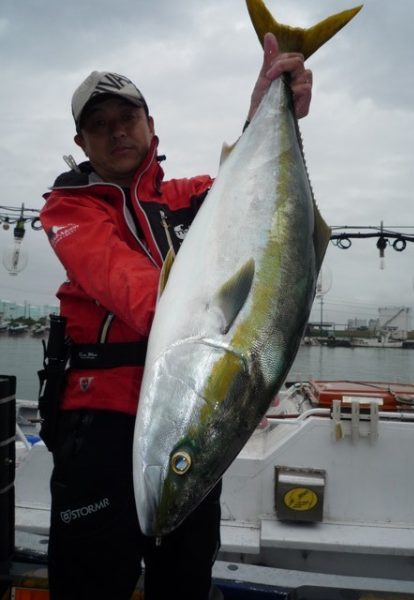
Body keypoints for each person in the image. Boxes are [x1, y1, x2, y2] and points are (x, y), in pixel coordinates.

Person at [39, 32, 313, 600]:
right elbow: (133, 290)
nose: (116, 130)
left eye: (127, 116)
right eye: (99, 124)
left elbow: (260, 203)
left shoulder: (198, 197)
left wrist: (270, 100)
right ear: (81, 141)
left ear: (149, 121)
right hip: (101, 433)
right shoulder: (70, 209)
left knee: (186, 584)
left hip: (193, 420)